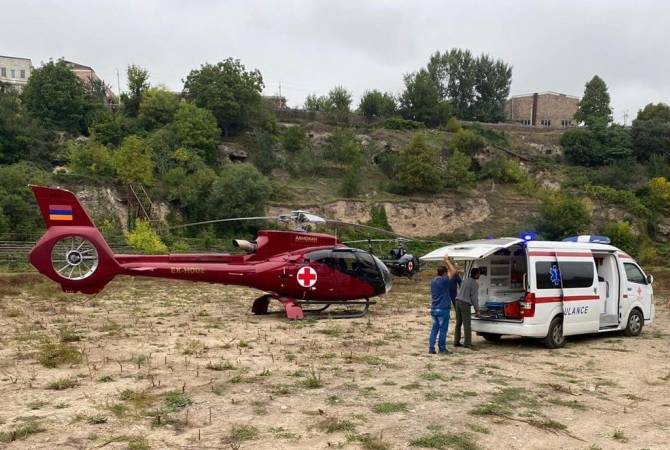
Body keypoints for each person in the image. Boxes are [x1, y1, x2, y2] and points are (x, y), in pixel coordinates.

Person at [428, 255, 458, 355]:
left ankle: (431, 348)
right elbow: (453, 271)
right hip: (443, 309)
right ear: (444, 273)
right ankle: (442, 349)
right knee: (443, 330)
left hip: (434, 309)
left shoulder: (433, 281)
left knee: (434, 329)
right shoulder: (444, 280)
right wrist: (447, 261)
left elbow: (450, 272)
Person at [455, 267, 481, 350]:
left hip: (457, 301)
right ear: (476, 274)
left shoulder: (465, 280)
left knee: (458, 323)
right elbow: (474, 298)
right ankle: (468, 343)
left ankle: (456, 341)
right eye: (479, 273)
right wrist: (477, 310)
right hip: (465, 303)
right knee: (467, 324)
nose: (479, 275)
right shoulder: (474, 284)